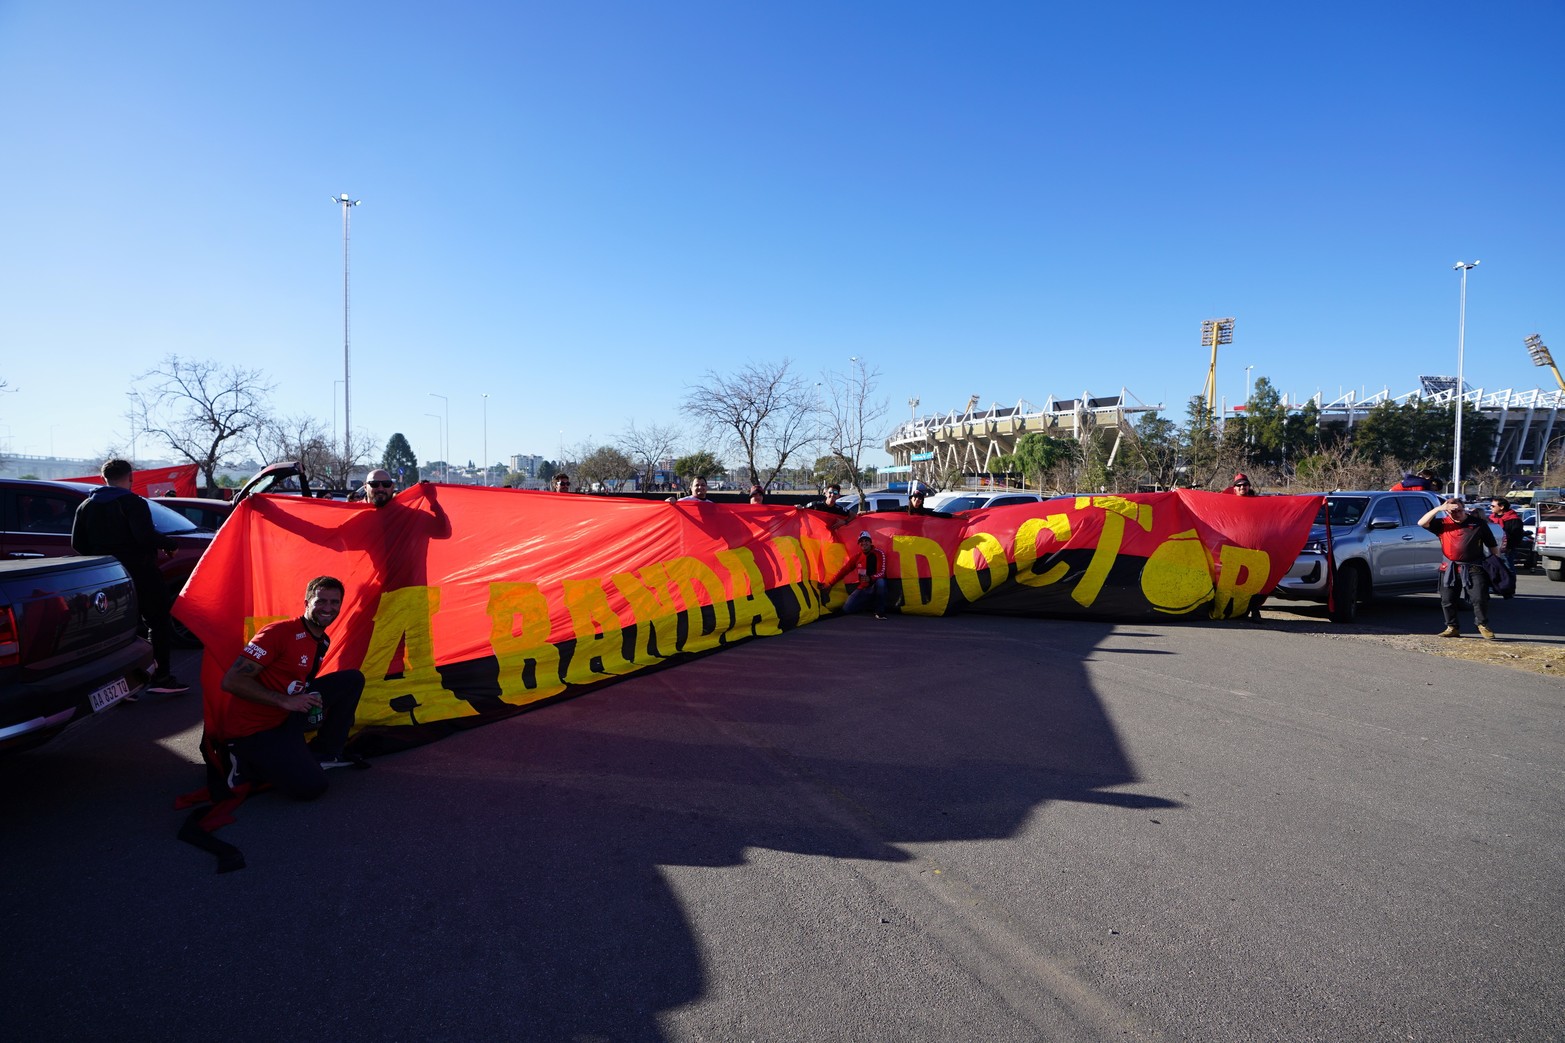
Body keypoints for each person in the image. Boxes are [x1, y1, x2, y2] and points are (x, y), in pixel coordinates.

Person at [205, 576, 368, 801]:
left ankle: (325, 752)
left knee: (352, 679)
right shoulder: (277, 632)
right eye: (321, 601)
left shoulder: (323, 640)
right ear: (307, 602)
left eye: (334, 602)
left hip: (285, 717)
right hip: (253, 730)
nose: (328, 608)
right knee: (312, 787)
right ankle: (241, 759)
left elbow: (299, 680)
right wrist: (286, 701)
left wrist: (307, 698)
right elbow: (231, 681)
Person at [70, 458, 188, 695]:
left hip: (107, 576)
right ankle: (161, 677)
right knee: (158, 622)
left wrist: (103, 559)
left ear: (103, 479)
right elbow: (144, 536)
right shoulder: (132, 502)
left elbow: (77, 544)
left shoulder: (86, 506)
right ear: (131, 477)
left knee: (118, 630)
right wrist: (168, 543)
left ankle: (121, 688)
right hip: (140, 571)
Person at [1418, 498, 1498, 639]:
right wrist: (1438, 509)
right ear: (1447, 512)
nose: (1457, 514)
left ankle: (1482, 624)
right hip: (1449, 568)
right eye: (1453, 511)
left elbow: (1492, 545)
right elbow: (1421, 523)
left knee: (1479, 598)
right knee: (1447, 600)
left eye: (1459, 510)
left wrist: (1496, 563)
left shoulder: (1478, 524)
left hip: (1474, 567)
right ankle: (1452, 627)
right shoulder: (1442, 524)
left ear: (1464, 509)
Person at [843, 531, 889, 619]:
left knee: (881, 582)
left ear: (870, 542)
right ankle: (867, 604)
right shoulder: (857, 556)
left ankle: (880, 612)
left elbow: (882, 573)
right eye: (861, 541)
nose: (864, 543)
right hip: (863, 588)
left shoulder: (879, 553)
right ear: (859, 544)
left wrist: (870, 578)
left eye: (866, 540)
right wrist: (830, 583)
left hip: (875, 586)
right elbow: (844, 570)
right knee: (846, 609)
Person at [1489, 497, 1525, 569]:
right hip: (1493, 548)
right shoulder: (1491, 518)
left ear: (1501, 507)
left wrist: (1508, 547)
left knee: (1507, 568)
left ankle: (1510, 580)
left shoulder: (1514, 519)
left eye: (1493, 506)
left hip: (1507, 550)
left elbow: (1517, 536)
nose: (1491, 507)